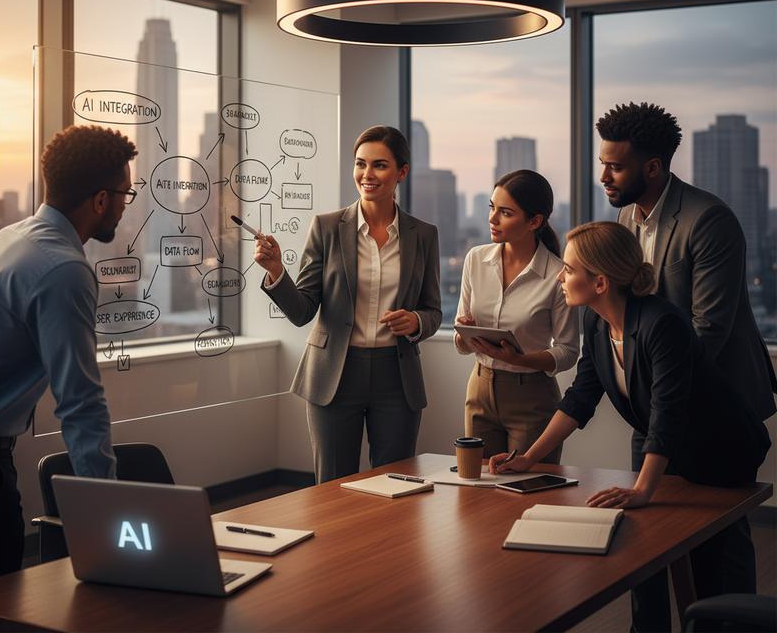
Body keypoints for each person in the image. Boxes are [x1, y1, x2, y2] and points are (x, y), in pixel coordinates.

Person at [489, 221, 770, 633]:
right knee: (644, 553)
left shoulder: (662, 323)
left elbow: (667, 411)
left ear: (599, 282)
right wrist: (529, 458)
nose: (560, 278)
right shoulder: (597, 323)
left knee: (710, 559)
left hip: (720, 450)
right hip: (667, 447)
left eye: (568, 270)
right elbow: (580, 397)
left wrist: (643, 488)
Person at [596, 101, 776, 630]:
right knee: (641, 533)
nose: (604, 175)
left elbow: (710, 330)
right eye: (603, 163)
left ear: (653, 167)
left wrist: (660, 393)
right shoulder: (627, 215)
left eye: (616, 166)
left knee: (718, 540)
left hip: (716, 403)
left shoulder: (709, 219)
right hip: (655, 404)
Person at [0, 125, 138, 582]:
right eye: (125, 194)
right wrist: (106, 513)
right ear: (101, 200)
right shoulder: (64, 269)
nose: (126, 206)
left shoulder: (8, 239)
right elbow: (80, 404)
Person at [256, 125, 441, 483]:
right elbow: (302, 311)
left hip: (396, 377)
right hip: (335, 374)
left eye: (380, 165)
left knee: (396, 484)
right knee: (332, 486)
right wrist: (277, 271)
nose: (367, 175)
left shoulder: (423, 235)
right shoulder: (326, 228)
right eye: (360, 164)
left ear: (402, 172)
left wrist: (417, 321)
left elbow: (433, 309)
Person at [453, 170, 578, 461]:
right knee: (476, 488)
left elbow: (568, 351)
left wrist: (519, 360)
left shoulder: (557, 274)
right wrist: (466, 334)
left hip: (532, 397)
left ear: (534, 221)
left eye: (505, 212)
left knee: (526, 490)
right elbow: (461, 341)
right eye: (492, 208)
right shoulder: (475, 259)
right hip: (480, 389)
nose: (492, 219)